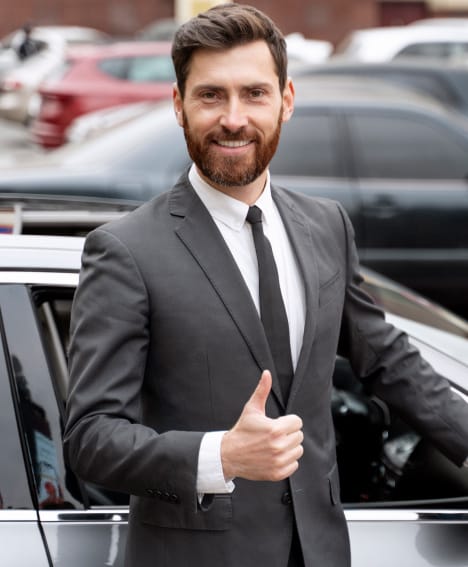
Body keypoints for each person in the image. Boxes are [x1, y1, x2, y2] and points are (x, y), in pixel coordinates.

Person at [63, 4, 468, 566]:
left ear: (286, 99)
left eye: (254, 93)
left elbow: (387, 358)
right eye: (211, 95)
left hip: (321, 551)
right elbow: (91, 437)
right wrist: (221, 455)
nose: (234, 119)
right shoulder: (126, 250)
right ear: (179, 105)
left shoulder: (327, 225)